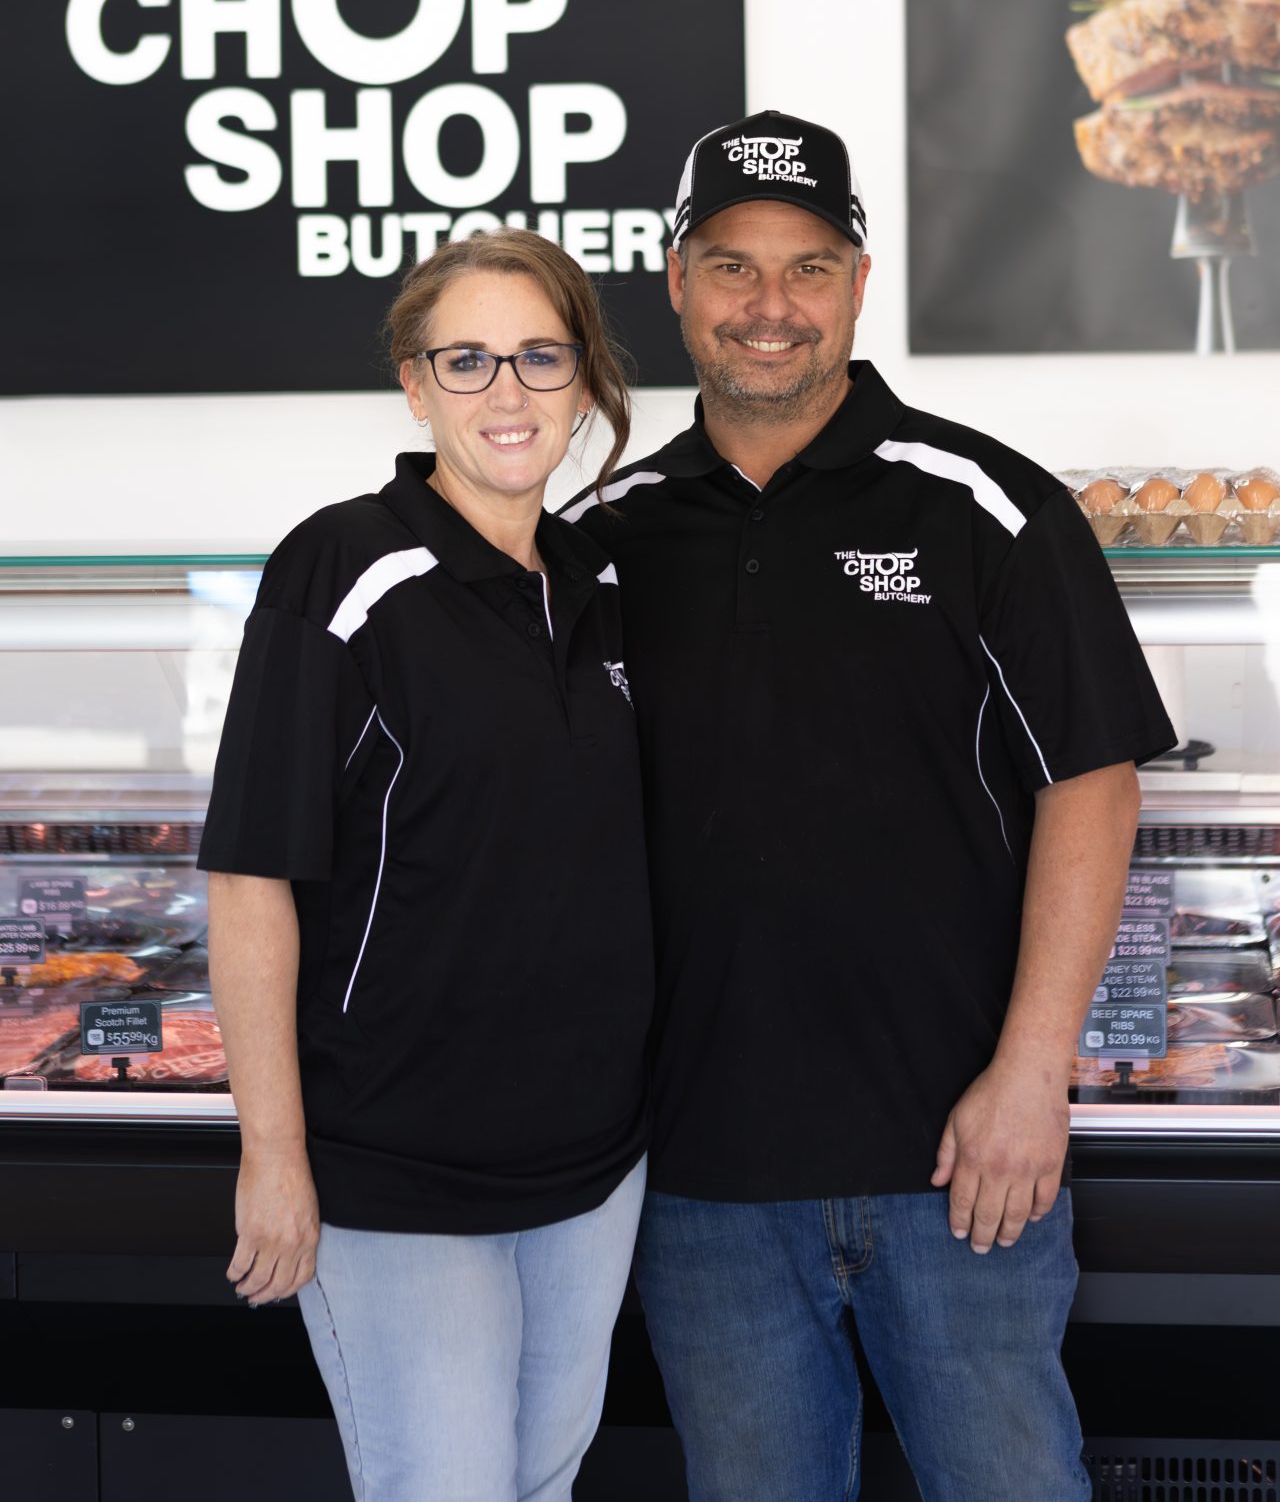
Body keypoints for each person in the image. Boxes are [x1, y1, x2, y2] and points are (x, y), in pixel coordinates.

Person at [561, 110, 1176, 1502]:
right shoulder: (605, 536)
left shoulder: (985, 506)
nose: (769, 305)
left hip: (961, 1159)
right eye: (733, 266)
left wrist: (1030, 1076)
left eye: (809, 267)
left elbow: (1094, 785)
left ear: (858, 282)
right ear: (676, 280)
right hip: (703, 1180)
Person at [199, 231, 654, 1502]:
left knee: (543, 1484)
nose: (507, 392)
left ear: (582, 381)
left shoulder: (601, 581)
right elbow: (250, 879)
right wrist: (273, 1154)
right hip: (395, 1168)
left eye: (539, 357)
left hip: (592, 1164)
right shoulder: (342, 570)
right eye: (467, 360)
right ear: (414, 383)